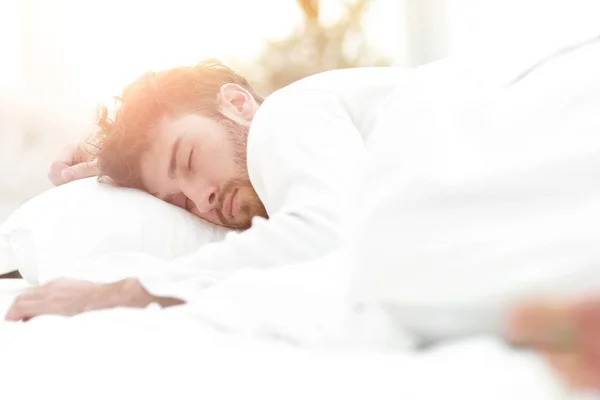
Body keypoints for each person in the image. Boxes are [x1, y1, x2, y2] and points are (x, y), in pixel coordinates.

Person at [6, 59, 417, 321]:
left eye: (188, 158)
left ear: (237, 105)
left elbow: (330, 236)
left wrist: (121, 292)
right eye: (178, 201)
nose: (201, 199)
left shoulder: (288, 112)